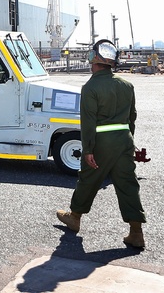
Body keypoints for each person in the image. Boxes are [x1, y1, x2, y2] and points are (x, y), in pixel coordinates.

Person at [56, 40, 146, 249]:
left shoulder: (90, 87)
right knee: (128, 184)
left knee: (88, 179)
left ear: (95, 60)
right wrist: (130, 143)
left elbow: (88, 121)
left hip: (101, 143)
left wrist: (87, 149)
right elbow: (132, 118)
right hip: (124, 140)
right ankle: (136, 232)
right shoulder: (126, 85)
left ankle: (75, 217)